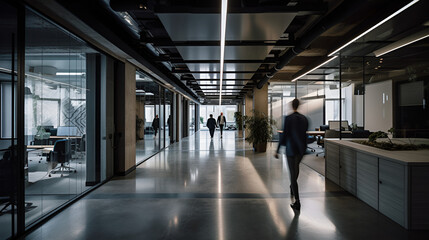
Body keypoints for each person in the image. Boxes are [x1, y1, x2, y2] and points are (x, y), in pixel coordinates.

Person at [275, 98, 308, 211]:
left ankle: (297, 201)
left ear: (291, 106)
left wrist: (278, 150)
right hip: (301, 150)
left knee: (292, 175)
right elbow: (304, 136)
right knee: (295, 171)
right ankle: (292, 187)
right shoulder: (304, 119)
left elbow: (285, 135)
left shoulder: (288, 118)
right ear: (298, 105)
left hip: (291, 149)